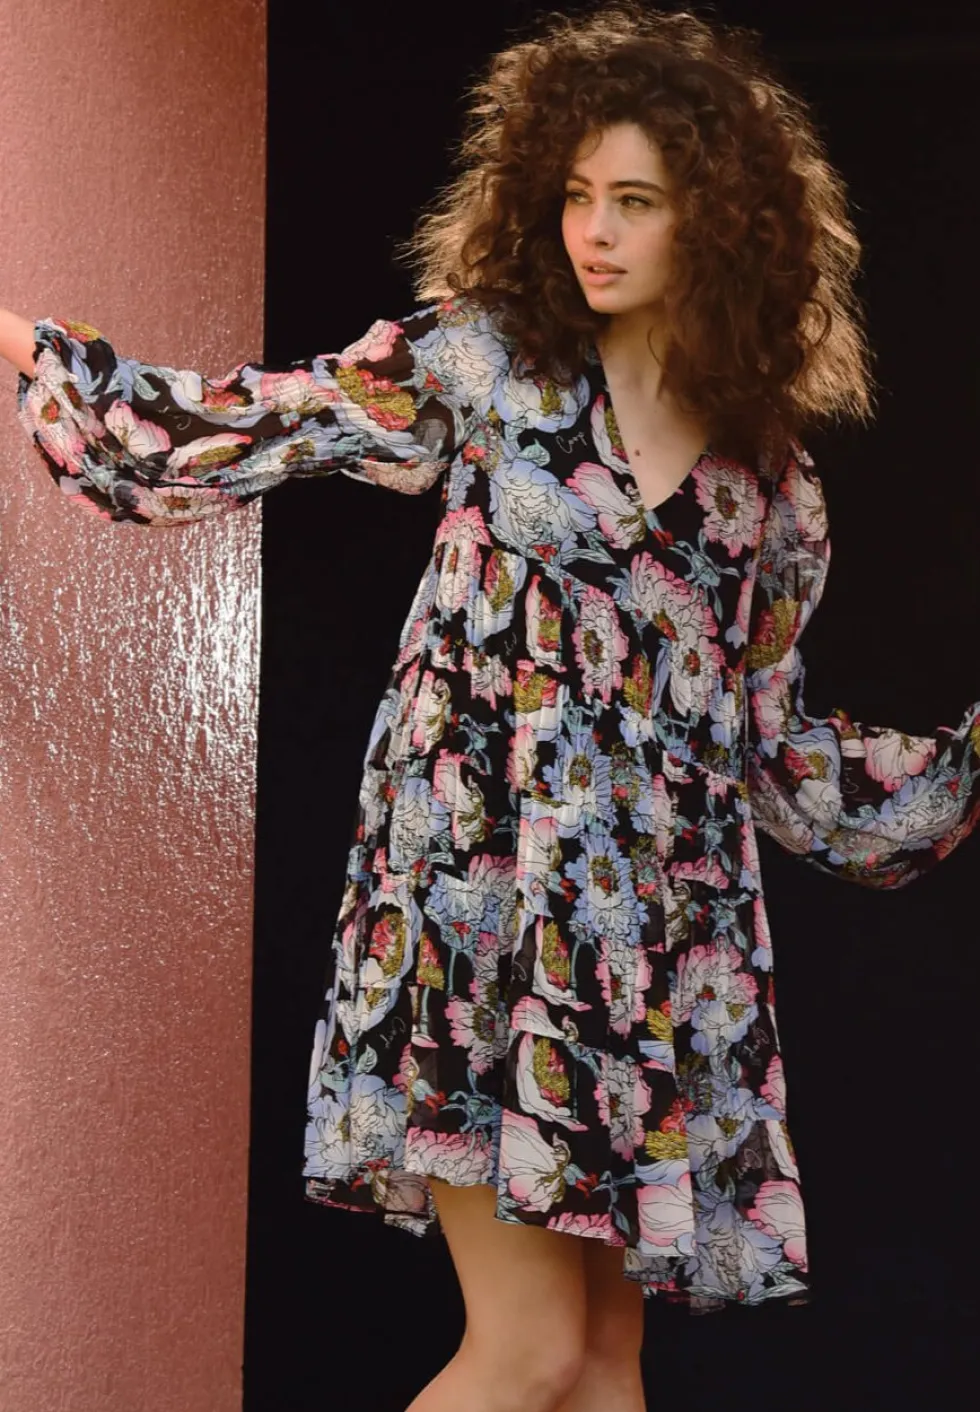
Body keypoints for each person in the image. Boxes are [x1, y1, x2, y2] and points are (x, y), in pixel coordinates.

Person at [3, 4, 979, 1409]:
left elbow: (776, 754)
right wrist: (37, 352)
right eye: (577, 194)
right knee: (526, 1352)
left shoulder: (772, 488)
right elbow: (251, 422)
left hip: (648, 950)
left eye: (635, 201)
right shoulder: (486, 363)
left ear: (720, 225)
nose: (595, 231)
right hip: (479, 913)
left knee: (605, 1361)